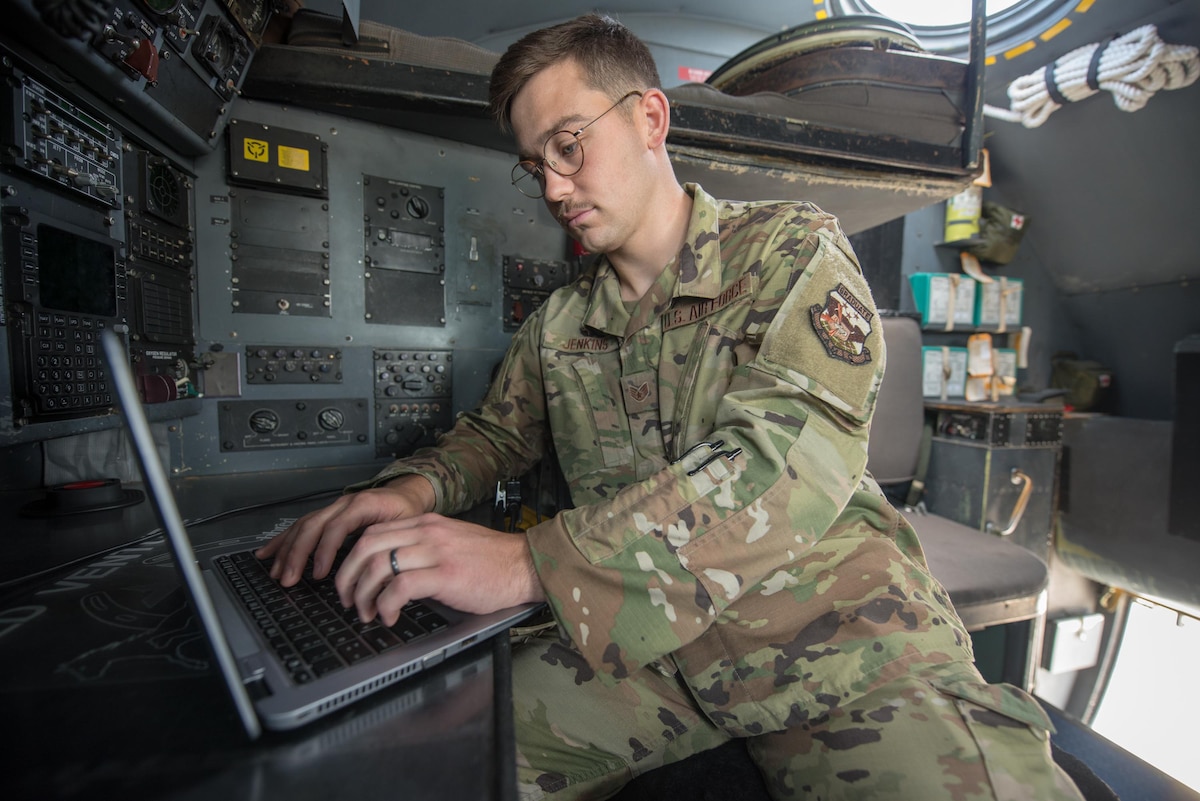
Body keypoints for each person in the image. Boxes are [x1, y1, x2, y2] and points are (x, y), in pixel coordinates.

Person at [257, 14, 1084, 801]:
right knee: (406, 767)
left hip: (839, 639)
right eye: (534, 163)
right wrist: (409, 492)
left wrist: (526, 565)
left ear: (650, 116)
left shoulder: (788, 249)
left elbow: (784, 461)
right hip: (641, 651)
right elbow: (495, 435)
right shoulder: (561, 323)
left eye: (569, 144)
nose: (551, 183)